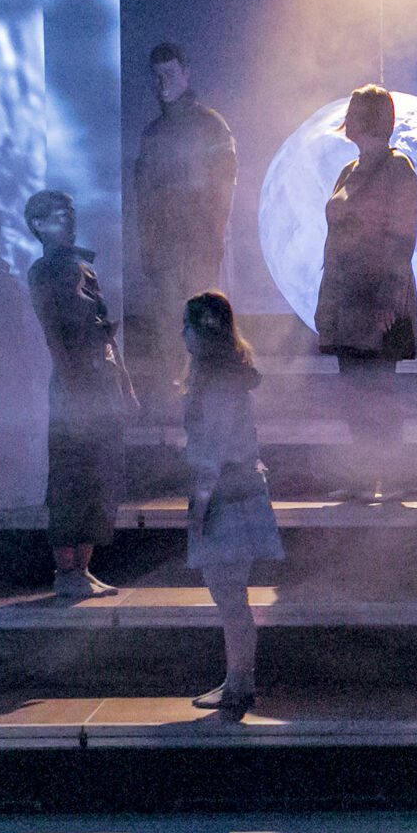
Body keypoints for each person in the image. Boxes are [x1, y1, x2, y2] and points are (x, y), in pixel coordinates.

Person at [25, 189, 138, 599]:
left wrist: (124, 385)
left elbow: (105, 330)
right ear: (38, 224)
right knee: (71, 477)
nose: (69, 221)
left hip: (100, 381)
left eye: (70, 213)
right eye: (58, 215)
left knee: (101, 475)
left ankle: (83, 570)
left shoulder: (82, 267)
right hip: (77, 385)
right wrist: (74, 392)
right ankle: (66, 572)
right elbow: (55, 334)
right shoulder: (44, 272)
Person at [315, 84, 417, 502]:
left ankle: (390, 478)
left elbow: (401, 236)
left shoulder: (398, 169)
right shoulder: (350, 169)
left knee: (378, 392)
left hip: (375, 296)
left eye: (357, 110)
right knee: (354, 392)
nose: (350, 118)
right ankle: (361, 478)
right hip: (346, 296)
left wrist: (390, 299)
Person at [180, 292, 283, 711]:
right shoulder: (231, 376)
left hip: (225, 498)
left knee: (230, 600)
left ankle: (239, 683)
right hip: (241, 492)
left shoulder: (216, 383)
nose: (180, 335)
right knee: (232, 598)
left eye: (185, 325)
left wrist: (201, 507)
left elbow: (214, 449)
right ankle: (237, 680)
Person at [132, 42, 238, 404]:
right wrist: (147, 245)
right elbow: (143, 197)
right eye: (157, 76)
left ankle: (210, 400)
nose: (163, 83)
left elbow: (225, 185)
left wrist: (214, 235)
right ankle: (178, 404)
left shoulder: (211, 126)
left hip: (198, 247)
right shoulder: (153, 134)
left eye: (170, 74)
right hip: (164, 252)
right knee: (168, 330)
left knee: (204, 325)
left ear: (186, 74)